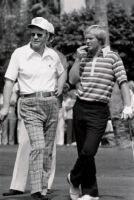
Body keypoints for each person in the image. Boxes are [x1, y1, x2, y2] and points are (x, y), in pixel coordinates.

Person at [0, 17, 66, 200]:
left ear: (47, 37)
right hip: (29, 105)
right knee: (36, 146)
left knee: (47, 149)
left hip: (51, 104)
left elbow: (62, 72)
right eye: (32, 34)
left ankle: (43, 189)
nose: (35, 37)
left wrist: (60, 87)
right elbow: (8, 81)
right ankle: (36, 189)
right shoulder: (19, 54)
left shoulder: (53, 55)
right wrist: (5, 107)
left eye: (39, 34)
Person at [67, 25, 133, 200]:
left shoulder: (113, 58)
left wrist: (128, 106)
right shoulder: (83, 57)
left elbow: (123, 82)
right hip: (80, 107)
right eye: (86, 38)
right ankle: (90, 192)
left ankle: (73, 178)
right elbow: (73, 80)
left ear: (100, 41)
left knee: (89, 151)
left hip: (99, 110)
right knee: (83, 152)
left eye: (90, 39)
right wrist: (76, 59)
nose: (86, 41)